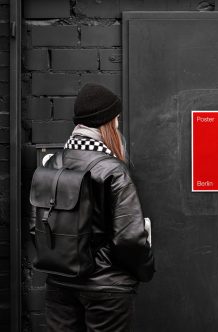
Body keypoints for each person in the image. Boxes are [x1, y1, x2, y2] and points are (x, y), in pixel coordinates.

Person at [38, 83, 155, 331]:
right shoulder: (113, 170)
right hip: (107, 290)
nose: (118, 125)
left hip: (61, 283)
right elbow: (130, 239)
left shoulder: (53, 163)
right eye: (116, 120)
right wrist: (145, 270)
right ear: (106, 123)